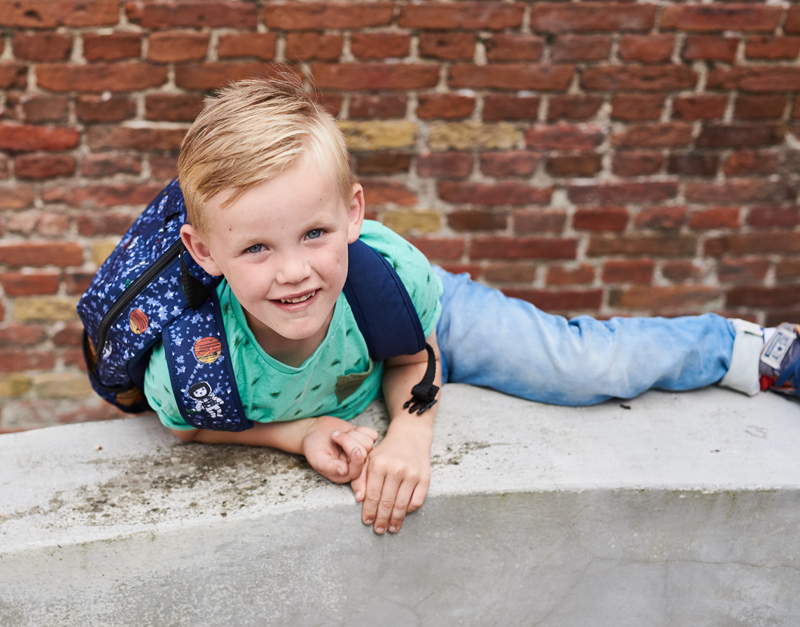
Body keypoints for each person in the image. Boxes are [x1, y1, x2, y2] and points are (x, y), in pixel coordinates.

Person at [143, 75, 799, 536]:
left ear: (353, 214)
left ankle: (751, 350)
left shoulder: (387, 273)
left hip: (417, 318)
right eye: (256, 247)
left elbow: (415, 353)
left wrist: (411, 433)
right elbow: (191, 423)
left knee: (579, 366)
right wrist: (300, 433)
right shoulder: (196, 359)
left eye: (314, 232)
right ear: (204, 252)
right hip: (375, 334)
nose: (294, 271)